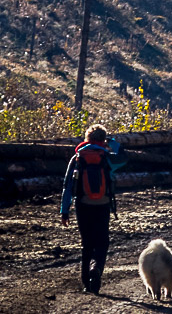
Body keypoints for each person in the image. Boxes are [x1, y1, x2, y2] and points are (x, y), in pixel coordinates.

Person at [60, 124, 118, 294]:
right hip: (103, 204)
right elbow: (124, 158)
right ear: (103, 140)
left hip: (82, 204)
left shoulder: (77, 157)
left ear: (87, 139)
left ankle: (87, 283)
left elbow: (67, 186)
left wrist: (65, 211)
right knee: (102, 241)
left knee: (87, 243)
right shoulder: (107, 157)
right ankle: (97, 268)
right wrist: (111, 142)